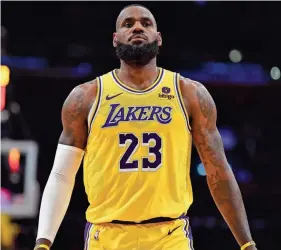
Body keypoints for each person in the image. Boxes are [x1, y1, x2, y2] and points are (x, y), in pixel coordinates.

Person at [34, 4, 257, 250]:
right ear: (115, 39)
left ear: (159, 39)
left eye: (146, 23)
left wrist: (247, 244)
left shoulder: (189, 93)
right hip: (106, 236)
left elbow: (219, 173)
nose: (137, 27)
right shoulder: (85, 98)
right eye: (128, 24)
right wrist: (43, 242)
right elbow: (62, 176)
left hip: (170, 235)